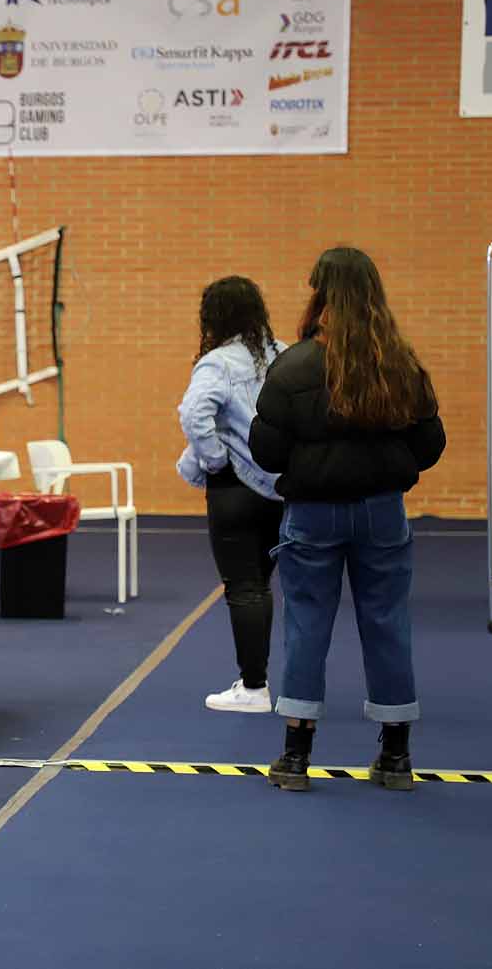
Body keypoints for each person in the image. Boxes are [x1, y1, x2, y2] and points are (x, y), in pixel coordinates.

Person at [249, 247, 445, 793]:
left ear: (320, 296)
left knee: (307, 623)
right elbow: (430, 445)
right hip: (382, 512)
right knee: (386, 622)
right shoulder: (400, 363)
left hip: (311, 515)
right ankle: (397, 757)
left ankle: (295, 756)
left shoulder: (293, 366)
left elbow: (265, 450)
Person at [176, 277, 285, 713]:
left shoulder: (217, 363)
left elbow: (194, 413)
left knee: (244, 587)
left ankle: (254, 688)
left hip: (235, 489)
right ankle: (277, 686)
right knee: (263, 584)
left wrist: (216, 459)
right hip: (281, 489)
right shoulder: (283, 353)